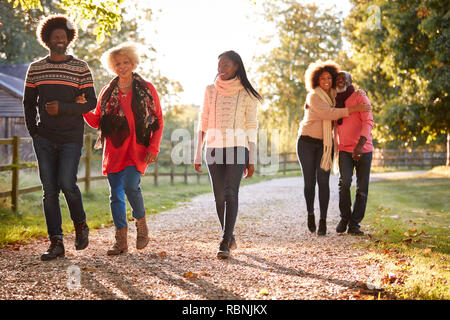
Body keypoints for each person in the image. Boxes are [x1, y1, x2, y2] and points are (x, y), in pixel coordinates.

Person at [23, 15, 96, 261]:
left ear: (69, 38)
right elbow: (28, 102)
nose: (60, 39)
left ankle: (80, 225)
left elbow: (92, 102)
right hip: (44, 137)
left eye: (63, 36)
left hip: (71, 137)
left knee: (67, 183)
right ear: (47, 39)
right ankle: (56, 243)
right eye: (55, 36)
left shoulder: (80, 68)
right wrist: (34, 131)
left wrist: (63, 108)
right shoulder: (36, 68)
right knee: (49, 191)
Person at [83, 42, 163, 255]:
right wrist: (82, 107)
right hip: (114, 150)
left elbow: (158, 119)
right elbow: (96, 120)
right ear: (113, 66)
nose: (122, 66)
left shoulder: (147, 88)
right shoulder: (107, 91)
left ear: (133, 62)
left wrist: (153, 148)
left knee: (130, 186)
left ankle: (141, 223)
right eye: (117, 63)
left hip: (137, 150)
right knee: (115, 195)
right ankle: (120, 241)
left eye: (126, 62)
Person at [194, 50, 261, 259]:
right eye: (219, 65)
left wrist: (252, 159)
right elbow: (203, 121)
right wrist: (198, 153)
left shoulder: (247, 94)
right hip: (213, 149)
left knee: (231, 192)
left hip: (238, 147)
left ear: (236, 67)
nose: (220, 69)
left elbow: (251, 126)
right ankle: (229, 235)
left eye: (225, 65)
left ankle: (224, 241)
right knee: (219, 197)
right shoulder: (210, 90)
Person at [296, 60, 370, 236]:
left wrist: (361, 92)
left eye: (330, 77)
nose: (327, 80)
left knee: (323, 182)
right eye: (323, 78)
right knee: (309, 183)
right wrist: (354, 109)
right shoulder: (313, 96)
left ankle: (322, 221)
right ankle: (310, 214)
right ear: (316, 80)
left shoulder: (334, 95)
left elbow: (348, 90)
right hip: (306, 142)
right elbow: (329, 113)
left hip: (324, 145)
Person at [335, 71, 374, 235]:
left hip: (363, 149)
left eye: (344, 78)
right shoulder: (334, 100)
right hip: (344, 149)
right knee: (344, 184)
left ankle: (354, 224)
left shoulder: (360, 97)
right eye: (338, 78)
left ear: (351, 81)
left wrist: (360, 145)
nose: (341, 80)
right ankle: (345, 217)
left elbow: (368, 121)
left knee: (362, 188)